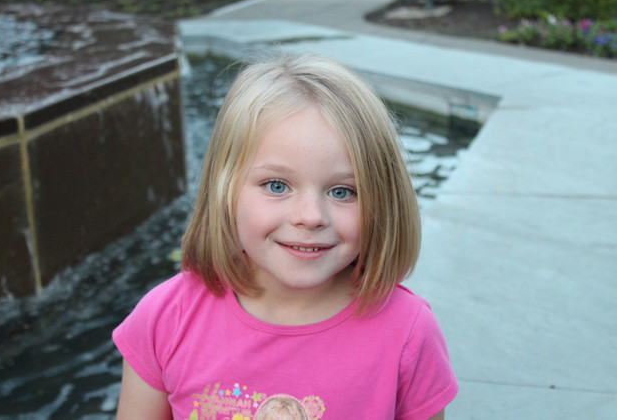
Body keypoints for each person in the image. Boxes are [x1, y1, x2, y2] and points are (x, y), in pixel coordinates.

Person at [113, 53, 458, 420]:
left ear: (382, 201)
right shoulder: (166, 318)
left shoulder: (407, 332)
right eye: (276, 185)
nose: (310, 217)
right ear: (224, 190)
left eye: (342, 191)